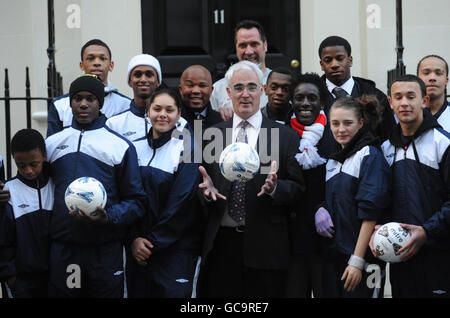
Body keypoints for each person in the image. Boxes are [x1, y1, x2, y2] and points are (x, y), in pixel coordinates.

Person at [197, 61, 305, 298]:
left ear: (263, 91)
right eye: (238, 88)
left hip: (267, 248)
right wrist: (205, 192)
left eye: (251, 87)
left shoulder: (285, 136)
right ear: (228, 92)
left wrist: (276, 189)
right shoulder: (210, 135)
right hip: (221, 248)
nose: (245, 94)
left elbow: (298, 189)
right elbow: (200, 185)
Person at [45, 74, 146, 297]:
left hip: (105, 250)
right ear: (70, 102)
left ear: (99, 103)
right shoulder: (52, 144)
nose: (83, 104)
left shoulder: (120, 146)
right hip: (66, 248)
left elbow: (137, 201)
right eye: (77, 98)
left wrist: (108, 217)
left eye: (90, 98)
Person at [374, 74, 450, 297]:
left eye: (411, 96)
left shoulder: (443, 143)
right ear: (390, 103)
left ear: (424, 101)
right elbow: (382, 199)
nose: (404, 103)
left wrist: (427, 231)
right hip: (400, 257)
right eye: (397, 97)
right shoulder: (386, 148)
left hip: (439, 256)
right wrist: (378, 228)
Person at [126, 88, 201, 298]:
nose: (162, 114)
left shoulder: (188, 149)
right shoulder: (133, 148)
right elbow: (127, 196)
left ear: (178, 115)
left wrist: (151, 242)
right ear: (147, 111)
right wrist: (133, 239)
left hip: (175, 251)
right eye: (157, 108)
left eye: (170, 109)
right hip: (138, 250)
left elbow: (182, 203)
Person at [315, 95, 391, 297]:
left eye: (348, 123)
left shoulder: (369, 155)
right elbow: (339, 199)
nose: (341, 129)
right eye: (335, 123)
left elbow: (371, 212)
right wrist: (321, 207)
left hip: (362, 260)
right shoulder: (333, 160)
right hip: (335, 257)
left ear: (361, 123)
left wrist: (357, 261)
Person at [285, 73, 330, 298]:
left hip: (325, 239)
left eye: (311, 98)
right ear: (291, 102)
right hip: (291, 240)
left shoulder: (334, 134)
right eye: (299, 98)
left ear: (322, 102)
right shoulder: (283, 134)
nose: (305, 103)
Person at [318, 36, 396, 155]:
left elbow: (389, 139)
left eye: (340, 58)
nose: (334, 64)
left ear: (350, 60)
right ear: (322, 65)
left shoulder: (375, 96)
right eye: (328, 60)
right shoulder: (310, 97)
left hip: (367, 168)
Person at [0, 129, 53, 298]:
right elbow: (3, 238)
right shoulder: (8, 192)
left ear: (44, 156)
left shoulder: (56, 186)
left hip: (56, 275)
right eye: (21, 166)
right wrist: (10, 276)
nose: (28, 170)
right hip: (21, 281)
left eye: (34, 164)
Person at [47, 39, 131, 137]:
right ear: (81, 65)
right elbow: (53, 146)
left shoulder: (126, 105)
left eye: (102, 58)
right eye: (90, 58)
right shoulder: (60, 105)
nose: (96, 63)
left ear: (111, 65)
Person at [210, 20, 271, 121]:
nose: (249, 51)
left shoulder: (278, 85)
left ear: (265, 45)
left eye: (254, 44)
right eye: (243, 45)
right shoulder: (218, 89)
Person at [106, 54, 162, 141]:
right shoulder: (114, 124)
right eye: (137, 75)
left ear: (158, 81)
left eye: (149, 75)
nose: (143, 80)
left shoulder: (175, 122)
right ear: (129, 81)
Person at [179, 65, 222, 132]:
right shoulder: (172, 121)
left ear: (211, 90)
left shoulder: (222, 120)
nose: (196, 91)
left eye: (202, 85)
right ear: (181, 90)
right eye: (190, 85)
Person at [416, 54, 449, 131]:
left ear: (446, 80)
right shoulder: (403, 117)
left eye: (438, 73)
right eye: (426, 73)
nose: (432, 78)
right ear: (417, 79)